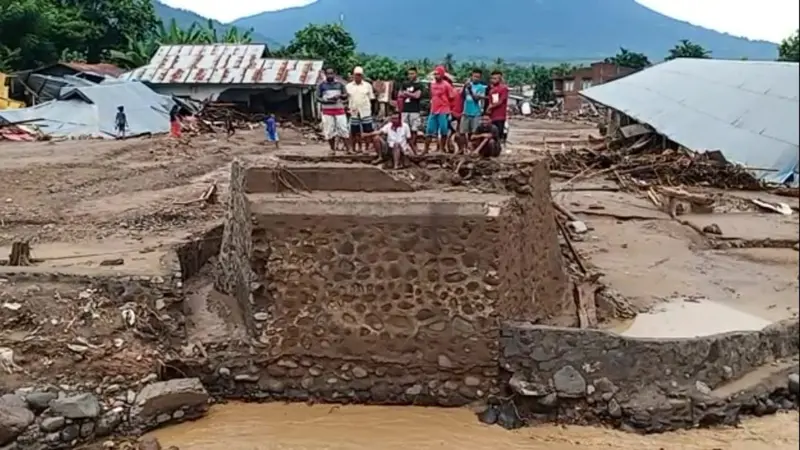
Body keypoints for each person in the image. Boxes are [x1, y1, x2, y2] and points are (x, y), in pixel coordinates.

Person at [424, 65, 456, 154]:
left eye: (438, 74)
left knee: (443, 130)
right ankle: (426, 149)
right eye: (435, 74)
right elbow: (432, 96)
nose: (436, 76)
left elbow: (452, 97)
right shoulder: (432, 84)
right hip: (433, 110)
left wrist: (448, 106)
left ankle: (442, 149)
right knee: (429, 130)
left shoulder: (447, 85)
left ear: (442, 74)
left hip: (444, 110)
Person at [317, 67, 349, 152]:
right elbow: (317, 97)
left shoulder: (340, 84)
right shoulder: (321, 85)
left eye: (331, 73)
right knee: (329, 131)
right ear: (325, 74)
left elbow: (346, 95)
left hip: (339, 110)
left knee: (343, 128)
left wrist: (340, 96)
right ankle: (332, 149)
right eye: (328, 73)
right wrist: (326, 100)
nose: (330, 75)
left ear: (334, 74)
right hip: (327, 111)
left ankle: (348, 150)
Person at [345, 66, 375, 152]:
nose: (358, 76)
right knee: (355, 132)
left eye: (359, 75)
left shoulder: (368, 85)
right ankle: (356, 148)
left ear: (362, 76)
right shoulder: (348, 86)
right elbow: (346, 99)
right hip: (354, 111)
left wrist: (371, 111)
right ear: (353, 75)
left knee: (368, 131)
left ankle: (366, 148)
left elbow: (371, 98)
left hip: (365, 111)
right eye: (356, 75)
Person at [397, 67, 423, 151]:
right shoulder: (404, 83)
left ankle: (413, 145)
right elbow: (399, 94)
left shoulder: (419, 85)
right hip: (405, 109)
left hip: (415, 110)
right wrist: (411, 94)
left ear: (416, 74)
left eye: (412, 73)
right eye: (409, 74)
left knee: (414, 129)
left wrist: (407, 93)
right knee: (404, 128)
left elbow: (417, 96)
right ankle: (405, 145)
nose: (410, 75)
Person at [460, 69, 487, 138]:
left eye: (478, 77)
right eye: (474, 76)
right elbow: (462, 96)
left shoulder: (481, 87)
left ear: (480, 78)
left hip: (476, 113)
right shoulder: (468, 85)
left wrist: (470, 90)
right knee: (462, 132)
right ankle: (464, 148)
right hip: (466, 112)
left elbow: (476, 99)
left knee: (474, 132)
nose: (476, 78)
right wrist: (464, 87)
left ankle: (471, 147)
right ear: (472, 76)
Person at [485, 70, 509, 144]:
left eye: (496, 78)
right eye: (492, 78)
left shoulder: (503, 89)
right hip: (492, 116)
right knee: (492, 134)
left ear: (500, 79)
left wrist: (489, 107)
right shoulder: (491, 90)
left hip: (500, 115)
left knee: (499, 133)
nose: (493, 80)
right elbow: (491, 102)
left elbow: (500, 102)